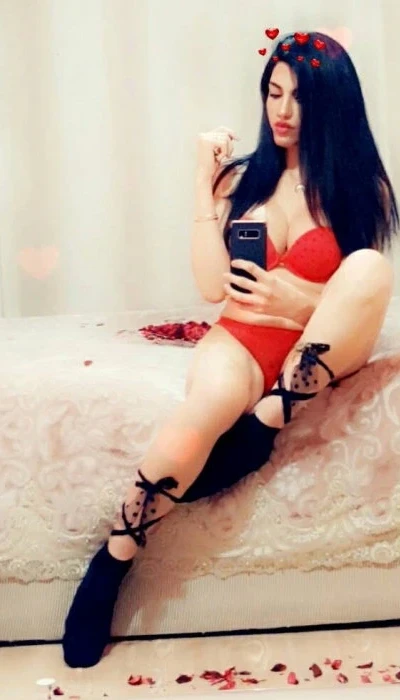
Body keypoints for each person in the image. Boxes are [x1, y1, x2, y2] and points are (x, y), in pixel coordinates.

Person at [62, 31, 398, 668]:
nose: (282, 112)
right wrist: (203, 185)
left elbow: (358, 297)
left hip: (319, 345)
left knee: (369, 269)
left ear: (333, 105)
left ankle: (270, 416)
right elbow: (212, 287)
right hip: (242, 339)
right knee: (209, 402)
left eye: (300, 98)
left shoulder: (361, 187)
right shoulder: (245, 179)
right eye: (274, 93)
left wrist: (298, 300)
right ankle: (114, 558)